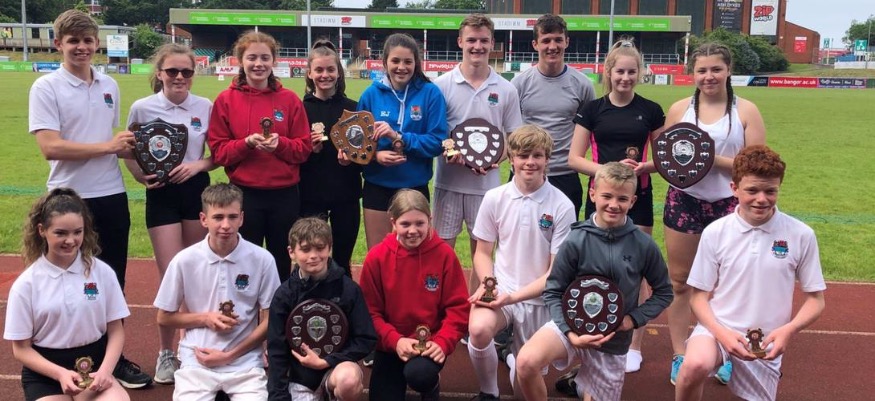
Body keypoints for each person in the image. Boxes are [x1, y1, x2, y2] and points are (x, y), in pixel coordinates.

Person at [27, 9, 151, 389]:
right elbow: (51, 147)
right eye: (73, 41)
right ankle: (60, 360)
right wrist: (109, 147)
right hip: (68, 198)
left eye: (87, 40)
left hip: (111, 194)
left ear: (97, 43)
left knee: (112, 282)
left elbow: (111, 142)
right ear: (58, 44)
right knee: (64, 281)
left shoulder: (109, 84)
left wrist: (142, 165)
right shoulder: (46, 87)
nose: (81, 47)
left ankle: (112, 359)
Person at [675, 145, 826, 401]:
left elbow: (816, 300)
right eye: (752, 190)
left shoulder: (801, 235)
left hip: (765, 341)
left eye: (770, 191)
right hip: (718, 328)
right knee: (694, 365)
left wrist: (788, 330)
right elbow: (698, 297)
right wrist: (721, 333)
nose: (761, 199)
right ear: (734, 188)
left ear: (779, 188)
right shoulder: (716, 232)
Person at [515, 162, 673, 401]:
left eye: (622, 199)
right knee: (526, 362)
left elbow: (664, 292)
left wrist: (632, 319)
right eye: (607, 196)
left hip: (612, 339)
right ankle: (581, 381)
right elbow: (554, 290)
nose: (613, 204)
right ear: (593, 194)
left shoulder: (643, 245)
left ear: (632, 201)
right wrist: (569, 331)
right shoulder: (576, 239)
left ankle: (582, 385)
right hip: (570, 325)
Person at [560, 39, 665, 388]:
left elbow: (665, 160)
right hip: (602, 198)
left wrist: (642, 167)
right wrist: (607, 171)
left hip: (638, 197)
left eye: (632, 71)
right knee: (591, 269)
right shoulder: (593, 109)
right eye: (620, 71)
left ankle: (633, 344)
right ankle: (590, 336)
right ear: (608, 71)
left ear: (640, 73)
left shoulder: (651, 110)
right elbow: (574, 158)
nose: (625, 77)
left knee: (638, 271)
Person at [663, 42, 767, 386]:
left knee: (728, 285)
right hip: (685, 201)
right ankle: (680, 354)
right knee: (680, 282)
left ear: (728, 71)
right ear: (692, 73)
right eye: (702, 70)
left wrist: (706, 157)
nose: (709, 76)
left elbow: (757, 167)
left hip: (729, 205)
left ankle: (729, 351)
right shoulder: (679, 109)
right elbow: (667, 158)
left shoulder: (746, 111)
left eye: (716, 69)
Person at [124, 42, 215, 385]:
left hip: (195, 191)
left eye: (186, 71)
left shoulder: (205, 106)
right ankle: (166, 352)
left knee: (196, 274)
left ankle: (191, 348)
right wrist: (140, 176)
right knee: (171, 275)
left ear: (193, 74)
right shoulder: (143, 107)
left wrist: (196, 166)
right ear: (160, 73)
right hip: (161, 194)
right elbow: (129, 150)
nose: (179, 77)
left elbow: (218, 154)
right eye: (172, 71)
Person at [467, 125, 576, 401]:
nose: (530, 162)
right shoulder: (495, 197)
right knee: (478, 329)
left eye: (537, 155)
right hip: (502, 289)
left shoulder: (562, 205)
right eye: (523, 155)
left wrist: (513, 297)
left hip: (539, 299)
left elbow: (555, 273)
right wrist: (489, 284)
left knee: (522, 386)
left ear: (547, 159)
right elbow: (482, 252)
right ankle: (488, 391)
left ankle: (513, 359)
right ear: (512, 159)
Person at [153, 183, 281, 400]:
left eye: (232, 217)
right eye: (218, 217)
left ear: (242, 218)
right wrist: (206, 318)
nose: (226, 225)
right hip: (197, 360)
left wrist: (230, 355)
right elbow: (164, 317)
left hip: (245, 362)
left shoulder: (262, 259)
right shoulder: (184, 260)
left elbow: (272, 320)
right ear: (204, 219)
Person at [4, 188, 131, 401]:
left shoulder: (102, 272)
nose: (70, 240)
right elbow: (21, 349)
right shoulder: (26, 285)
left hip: (95, 370)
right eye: (60, 233)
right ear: (42, 230)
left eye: (77, 232)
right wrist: (60, 374)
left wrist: (105, 371)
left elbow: (116, 330)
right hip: (47, 376)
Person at [208, 30, 312, 284]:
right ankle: (242, 305)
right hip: (244, 194)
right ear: (240, 61)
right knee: (244, 259)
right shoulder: (226, 100)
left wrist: (280, 144)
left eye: (265, 58)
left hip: (284, 194)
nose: (258, 64)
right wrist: (245, 144)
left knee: (281, 260)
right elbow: (219, 152)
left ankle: (278, 305)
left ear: (274, 61)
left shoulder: (289, 99)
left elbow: (303, 149)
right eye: (252, 57)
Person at [359, 190, 469, 401]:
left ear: (430, 220)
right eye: (405, 224)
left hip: (429, 344)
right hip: (391, 344)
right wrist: (395, 340)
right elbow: (370, 312)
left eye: (420, 223)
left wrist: (442, 342)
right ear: (393, 223)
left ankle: (431, 384)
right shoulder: (377, 257)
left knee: (420, 375)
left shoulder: (444, 255)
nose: (413, 231)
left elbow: (458, 308)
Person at [432, 13, 523, 259]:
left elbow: (514, 139)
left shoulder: (507, 89)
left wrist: (495, 160)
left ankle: (478, 290)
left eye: (484, 40)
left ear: (492, 43)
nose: (477, 46)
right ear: (460, 42)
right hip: (448, 183)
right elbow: (435, 133)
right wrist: (448, 150)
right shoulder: (441, 86)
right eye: (471, 40)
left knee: (482, 255)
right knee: (440, 254)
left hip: (487, 188)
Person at [266, 217, 377, 401]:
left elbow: (365, 339)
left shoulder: (349, 290)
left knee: (349, 380)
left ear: (329, 248)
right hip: (299, 376)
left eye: (320, 248)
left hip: (335, 369)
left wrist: (327, 361)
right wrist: (278, 396)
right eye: (305, 249)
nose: (313, 256)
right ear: (291, 252)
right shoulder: (284, 295)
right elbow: (277, 350)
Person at [356, 33, 447, 250]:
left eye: (408, 61)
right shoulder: (370, 95)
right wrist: (375, 156)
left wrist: (399, 137)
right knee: (379, 254)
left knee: (414, 257)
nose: (401, 67)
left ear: (416, 63)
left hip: (414, 187)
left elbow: (437, 142)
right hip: (377, 186)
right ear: (384, 61)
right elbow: (357, 143)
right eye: (395, 61)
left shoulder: (431, 93)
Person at [511, 14, 596, 218]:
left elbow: (589, 130)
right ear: (535, 44)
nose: (552, 46)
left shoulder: (582, 85)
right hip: (526, 172)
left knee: (565, 235)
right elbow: (510, 130)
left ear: (567, 41)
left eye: (558, 40)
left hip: (565, 174)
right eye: (546, 40)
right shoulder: (519, 84)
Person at [299, 40, 361, 275]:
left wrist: (350, 160)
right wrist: (309, 151)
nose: (325, 75)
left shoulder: (353, 109)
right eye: (319, 70)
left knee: (342, 261)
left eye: (330, 69)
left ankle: (343, 297)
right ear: (309, 73)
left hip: (346, 195)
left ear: (338, 72)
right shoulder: (299, 109)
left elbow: (363, 153)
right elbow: (292, 155)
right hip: (310, 196)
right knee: (312, 259)